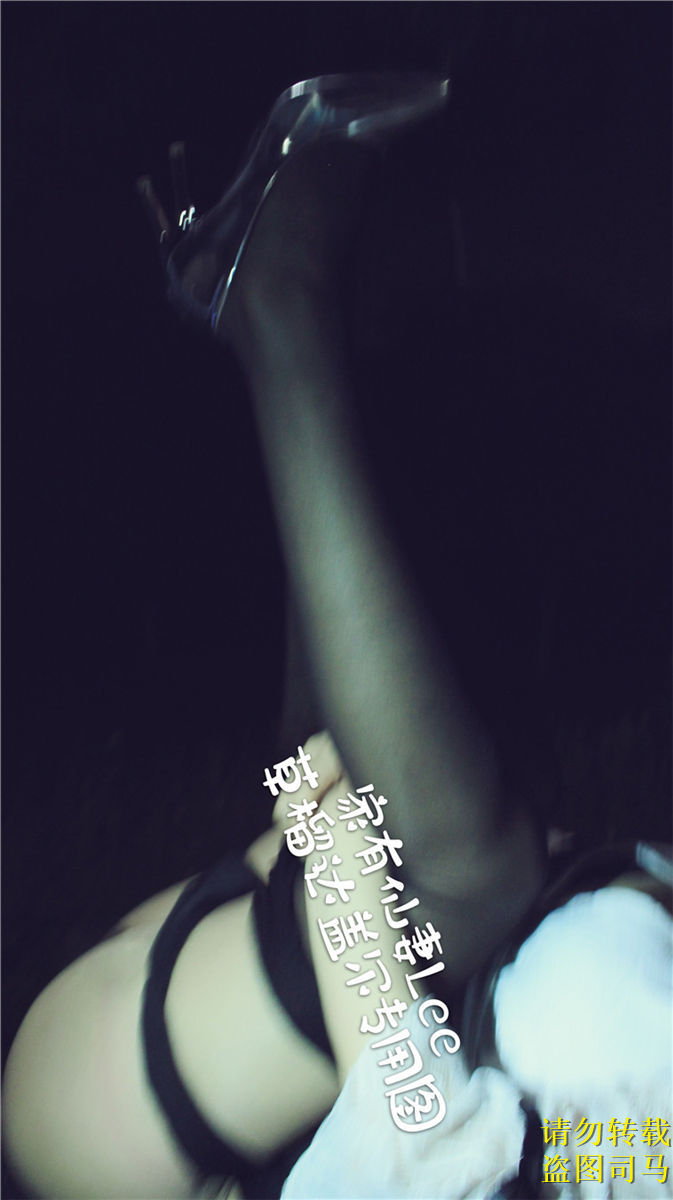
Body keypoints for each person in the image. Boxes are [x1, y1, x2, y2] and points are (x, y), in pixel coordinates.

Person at [3, 73, 670, 1200]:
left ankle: (276, 295)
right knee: (407, 821)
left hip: (110, 1117)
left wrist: (343, 850)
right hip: (238, 1017)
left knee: (461, 875)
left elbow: (420, 1138)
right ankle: (261, 301)